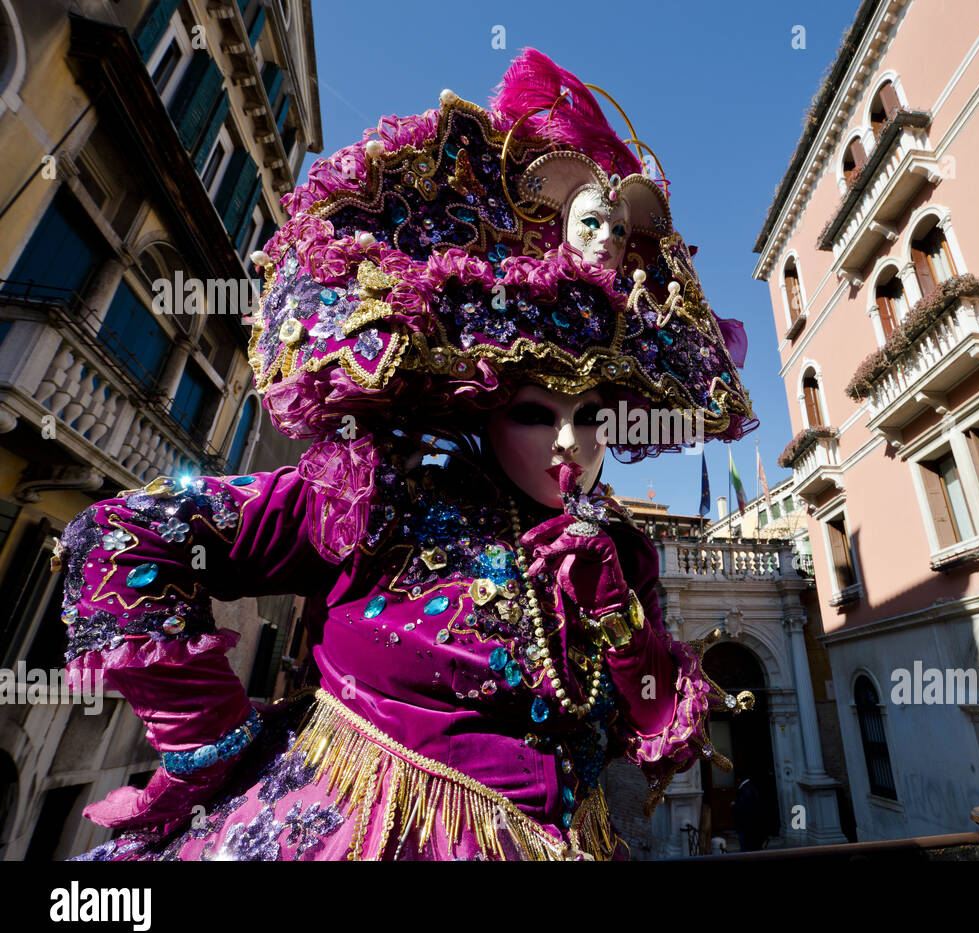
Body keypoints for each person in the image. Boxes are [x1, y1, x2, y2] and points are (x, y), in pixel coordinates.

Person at [54, 48, 756, 861]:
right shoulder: (379, 494)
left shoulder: (617, 549)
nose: (571, 441)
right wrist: (217, 750)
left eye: (593, 415)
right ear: (483, 408)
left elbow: (658, 727)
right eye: (537, 412)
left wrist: (623, 626)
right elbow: (126, 538)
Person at [730, 774, 765, 853]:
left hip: (746, 824)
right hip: (754, 823)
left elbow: (743, 807)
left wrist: (734, 805)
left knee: (746, 847)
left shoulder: (744, 789)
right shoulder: (752, 787)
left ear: (739, 780)